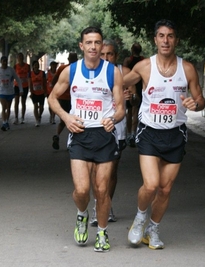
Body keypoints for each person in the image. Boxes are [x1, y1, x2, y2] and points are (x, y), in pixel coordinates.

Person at [124, 19, 205, 250]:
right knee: (150, 185)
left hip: (176, 134)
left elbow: (200, 100)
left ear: (176, 40)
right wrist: (122, 95)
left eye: (170, 36)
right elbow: (119, 83)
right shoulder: (144, 67)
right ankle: (139, 220)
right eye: (161, 35)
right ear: (155, 40)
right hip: (149, 131)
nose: (166, 40)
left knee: (165, 188)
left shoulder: (187, 68)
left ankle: (153, 229)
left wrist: (195, 104)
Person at [48, 27, 125, 252]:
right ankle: (82, 215)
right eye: (88, 42)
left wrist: (113, 118)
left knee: (101, 190)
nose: (93, 46)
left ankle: (102, 232)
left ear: (102, 46)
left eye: (97, 42)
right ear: (81, 46)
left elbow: (121, 108)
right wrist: (65, 116)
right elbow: (52, 98)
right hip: (80, 135)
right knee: (82, 190)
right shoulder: (70, 71)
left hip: (104, 136)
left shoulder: (113, 72)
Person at [89, 39, 132, 226]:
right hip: (93, 127)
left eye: (110, 54)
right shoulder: (90, 71)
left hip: (117, 129)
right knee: (94, 171)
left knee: (111, 171)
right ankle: (98, 204)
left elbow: (137, 96)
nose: (106, 57)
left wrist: (130, 97)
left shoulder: (124, 73)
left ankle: (107, 205)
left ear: (116, 56)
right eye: (103, 53)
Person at [51, 52, 78, 150]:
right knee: (74, 120)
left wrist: (57, 90)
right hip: (73, 99)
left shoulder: (62, 68)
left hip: (63, 98)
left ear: (68, 59)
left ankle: (57, 135)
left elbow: (53, 81)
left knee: (63, 120)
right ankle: (70, 142)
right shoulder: (79, 69)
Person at [0, 56, 23, 131]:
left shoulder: (11, 70)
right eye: (3, 61)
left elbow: (18, 79)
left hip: (10, 92)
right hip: (2, 92)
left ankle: (6, 122)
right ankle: (4, 122)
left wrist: (21, 90)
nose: (5, 62)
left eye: (6, 61)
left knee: (8, 108)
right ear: (1, 62)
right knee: (4, 107)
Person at [123, 43, 144, 147]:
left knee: (129, 112)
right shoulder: (143, 61)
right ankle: (133, 134)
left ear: (132, 49)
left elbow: (124, 73)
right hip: (139, 87)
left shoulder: (128, 60)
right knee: (135, 111)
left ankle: (128, 134)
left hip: (129, 86)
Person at [13, 52, 31, 124]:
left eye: (21, 57)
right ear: (17, 58)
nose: (20, 58)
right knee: (16, 102)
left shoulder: (27, 66)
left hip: (25, 86)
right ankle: (16, 117)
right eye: (19, 57)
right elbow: (13, 75)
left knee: (23, 102)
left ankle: (22, 117)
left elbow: (29, 76)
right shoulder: (15, 66)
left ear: (23, 58)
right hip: (17, 85)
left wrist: (29, 86)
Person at [29, 60, 47, 127]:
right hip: (34, 93)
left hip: (42, 92)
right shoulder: (30, 74)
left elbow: (45, 83)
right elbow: (30, 83)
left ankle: (39, 115)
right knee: (35, 106)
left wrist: (45, 92)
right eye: (35, 65)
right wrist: (31, 92)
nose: (36, 66)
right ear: (33, 66)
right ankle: (37, 120)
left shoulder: (42, 73)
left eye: (37, 65)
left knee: (41, 108)